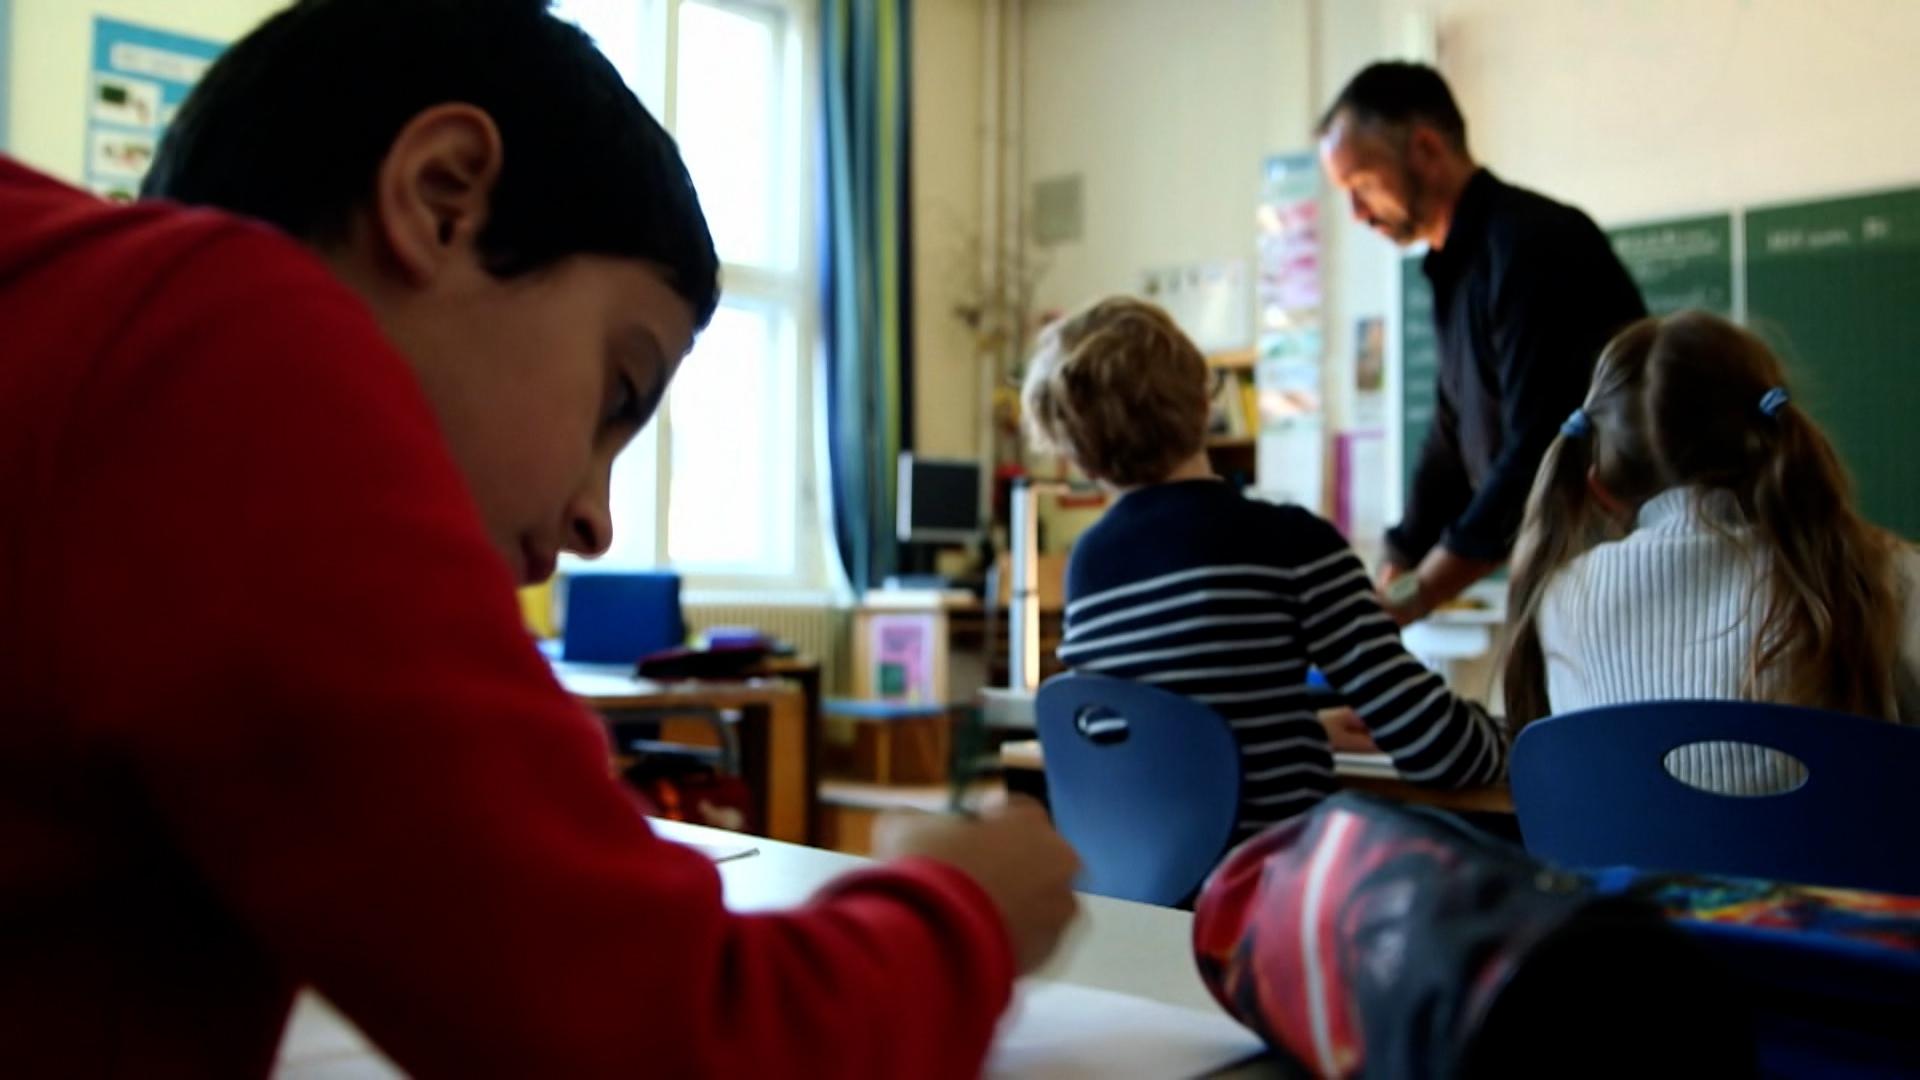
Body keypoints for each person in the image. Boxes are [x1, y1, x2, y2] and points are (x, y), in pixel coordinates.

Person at [0, 1, 1079, 1075]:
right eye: (620, 391)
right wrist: (969, 906)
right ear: (442, 200)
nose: (597, 524)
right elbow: (680, 1043)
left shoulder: (82, 334)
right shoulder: (227, 348)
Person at [1024, 297, 1507, 837]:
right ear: (1204, 401)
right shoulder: (1290, 543)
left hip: (1138, 884)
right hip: (1274, 876)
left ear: (1079, 457)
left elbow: (1149, 744)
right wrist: (1506, 740)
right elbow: (1438, 749)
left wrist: (1299, 731)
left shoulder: (1088, 567)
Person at [1502, 310, 1920, 793]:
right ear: (1776, 442)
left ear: (1600, 488)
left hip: (1626, 849)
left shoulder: (1557, 600)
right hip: (1839, 846)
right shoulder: (1885, 576)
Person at [1317, 61, 1646, 623]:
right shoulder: (1455, 267)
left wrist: (1421, 591)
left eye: (1363, 184)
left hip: (1618, 579)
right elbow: (1450, 436)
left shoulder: (1532, 243)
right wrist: (1400, 557)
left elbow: (1539, 446)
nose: (1356, 213)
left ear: (1425, 149)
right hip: (1564, 578)